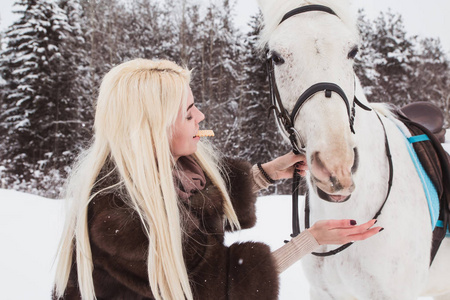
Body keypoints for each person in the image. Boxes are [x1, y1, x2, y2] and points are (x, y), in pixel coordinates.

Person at [53, 59, 382, 300]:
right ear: (153, 130)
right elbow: (222, 287)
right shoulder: (122, 215)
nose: (200, 116)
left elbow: (193, 209)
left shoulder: (169, 173)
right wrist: (310, 240)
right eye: (188, 112)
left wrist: (265, 174)